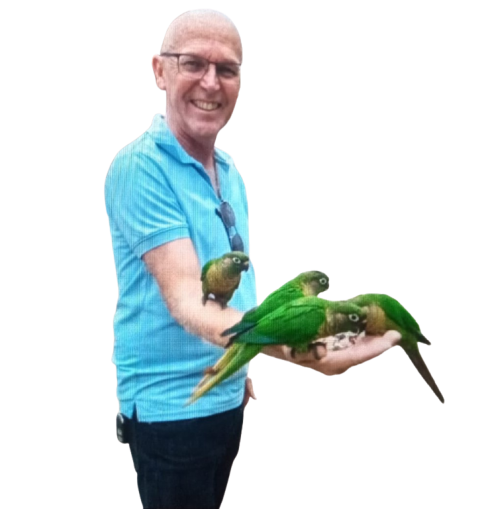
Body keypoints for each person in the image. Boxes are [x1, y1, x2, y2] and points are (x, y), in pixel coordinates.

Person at [103, 9, 400, 509]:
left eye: (227, 69)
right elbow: (188, 300)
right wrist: (302, 349)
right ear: (160, 70)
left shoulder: (228, 170)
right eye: (193, 63)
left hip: (225, 393)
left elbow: (233, 288)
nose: (210, 82)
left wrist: (240, 367)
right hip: (172, 412)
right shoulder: (140, 168)